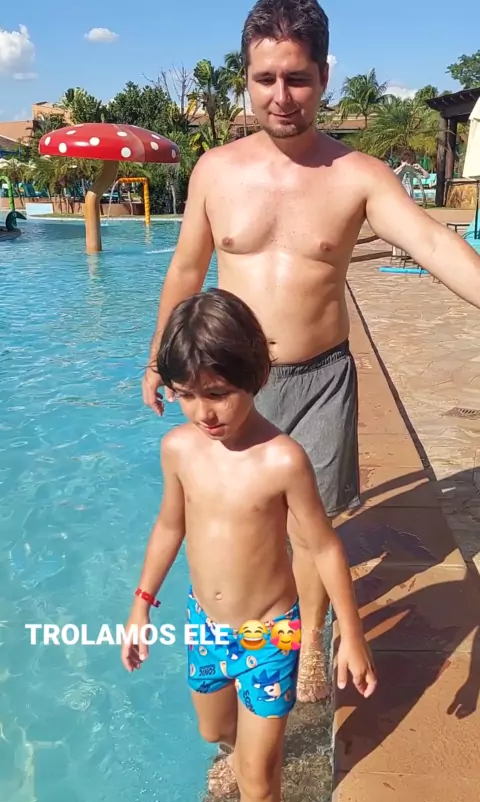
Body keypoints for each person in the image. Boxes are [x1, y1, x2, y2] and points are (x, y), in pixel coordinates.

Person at [141, 0, 480, 705]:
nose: (281, 96)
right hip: (237, 382)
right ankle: (256, 634)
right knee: (244, 515)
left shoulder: (358, 174)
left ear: (324, 76)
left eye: (297, 78)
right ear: (246, 78)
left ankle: (312, 635)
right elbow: (185, 270)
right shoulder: (215, 170)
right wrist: (157, 360)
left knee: (313, 524)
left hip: (320, 376)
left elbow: (432, 242)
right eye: (264, 78)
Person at [122, 290, 376, 802]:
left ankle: (259, 769)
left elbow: (324, 547)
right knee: (214, 729)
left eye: (217, 394)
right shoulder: (179, 449)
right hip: (205, 625)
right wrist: (142, 604)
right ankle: (245, 749)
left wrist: (351, 636)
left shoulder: (282, 459)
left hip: (270, 633)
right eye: (186, 395)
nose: (203, 412)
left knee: (259, 778)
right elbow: (169, 527)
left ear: (255, 376)